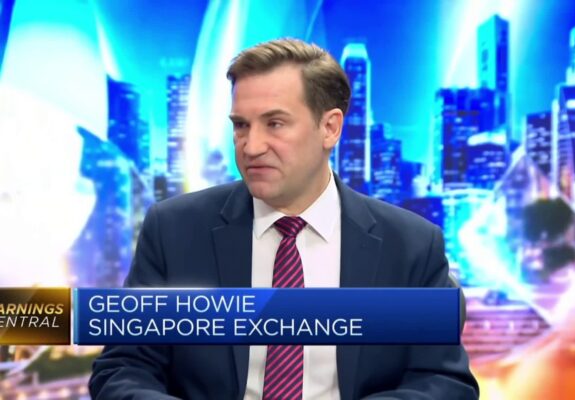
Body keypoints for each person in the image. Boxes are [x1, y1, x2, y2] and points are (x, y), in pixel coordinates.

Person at [89, 38, 479, 399]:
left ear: (330, 128)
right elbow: (124, 368)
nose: (251, 146)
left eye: (274, 123)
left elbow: (444, 382)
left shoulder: (410, 245)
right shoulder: (174, 230)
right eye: (241, 125)